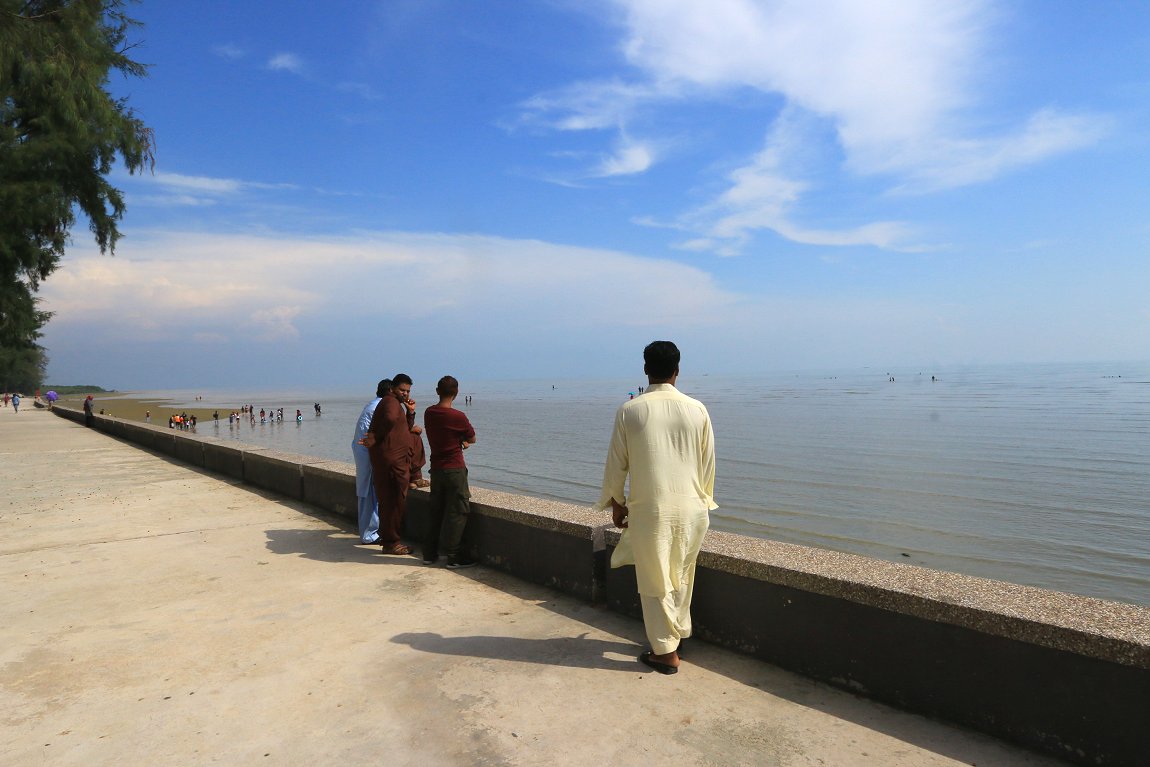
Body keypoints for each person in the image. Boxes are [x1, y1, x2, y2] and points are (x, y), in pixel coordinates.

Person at [595, 341, 717, 675]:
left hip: (653, 508)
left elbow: (616, 464)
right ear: (678, 370)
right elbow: (708, 465)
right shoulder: (697, 409)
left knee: (655, 578)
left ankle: (665, 653)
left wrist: (616, 503)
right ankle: (676, 635)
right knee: (681, 574)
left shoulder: (631, 410)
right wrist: (703, 498)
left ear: (646, 369)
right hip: (693, 509)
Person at [421, 375, 478, 568]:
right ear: (457, 393)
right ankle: (453, 556)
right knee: (458, 512)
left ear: (437, 391)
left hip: (436, 469)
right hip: (454, 469)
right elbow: (473, 438)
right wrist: (462, 441)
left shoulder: (429, 413)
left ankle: (429, 554)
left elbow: (442, 433)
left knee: (435, 511)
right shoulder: (458, 416)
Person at [365, 373, 416, 555]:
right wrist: (377, 436)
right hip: (393, 463)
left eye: (408, 391)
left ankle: (390, 540)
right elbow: (390, 419)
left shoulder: (392, 403)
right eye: (402, 390)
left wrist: (410, 413)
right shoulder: (391, 403)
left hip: (392, 461)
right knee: (394, 503)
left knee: (390, 502)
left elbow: (402, 428)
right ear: (393, 388)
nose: (405, 394)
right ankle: (391, 542)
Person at [352, 380, 389, 545]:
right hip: (368, 455)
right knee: (369, 494)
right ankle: (369, 534)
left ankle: (371, 531)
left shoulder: (373, 405)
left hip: (364, 454)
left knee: (369, 493)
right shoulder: (377, 408)